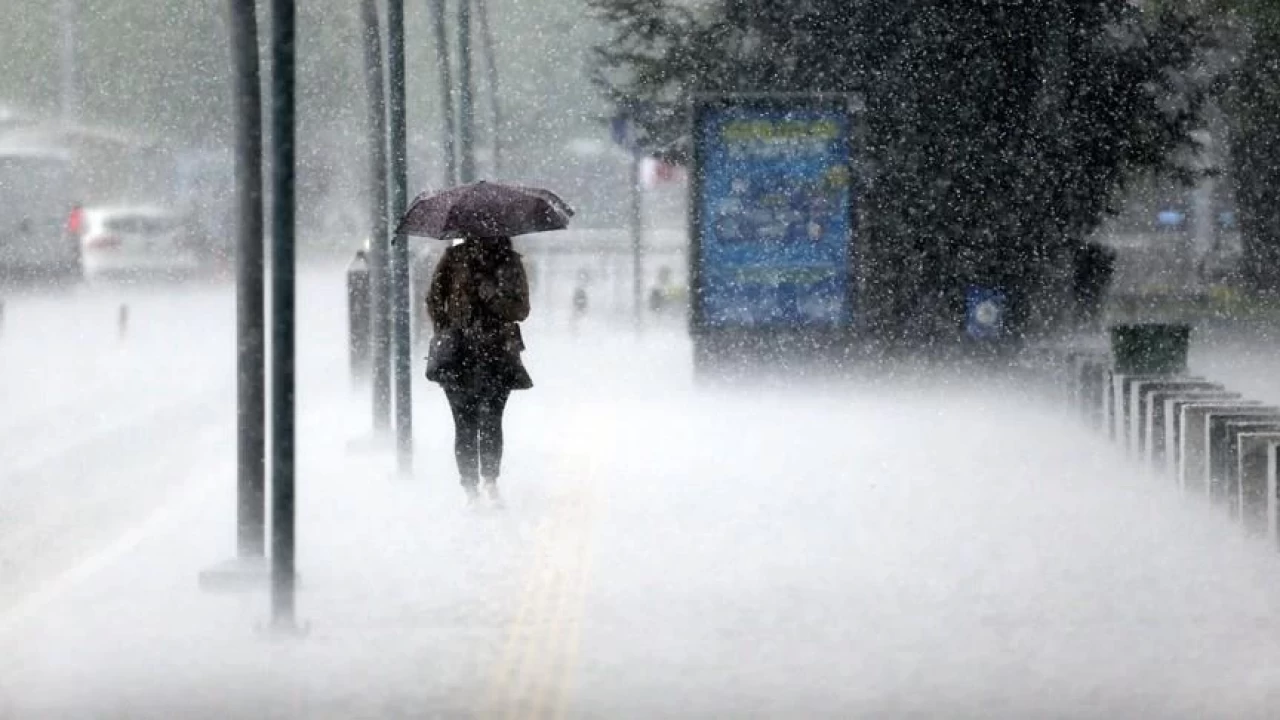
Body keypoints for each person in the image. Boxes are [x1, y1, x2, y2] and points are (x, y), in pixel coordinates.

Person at [426, 235, 533, 507]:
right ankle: (470, 487)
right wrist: (448, 330)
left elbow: (521, 310)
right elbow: (434, 299)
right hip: (459, 354)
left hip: (496, 353)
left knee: (491, 420)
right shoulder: (453, 259)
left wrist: (493, 296)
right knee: (464, 423)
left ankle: (489, 481)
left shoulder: (509, 262)